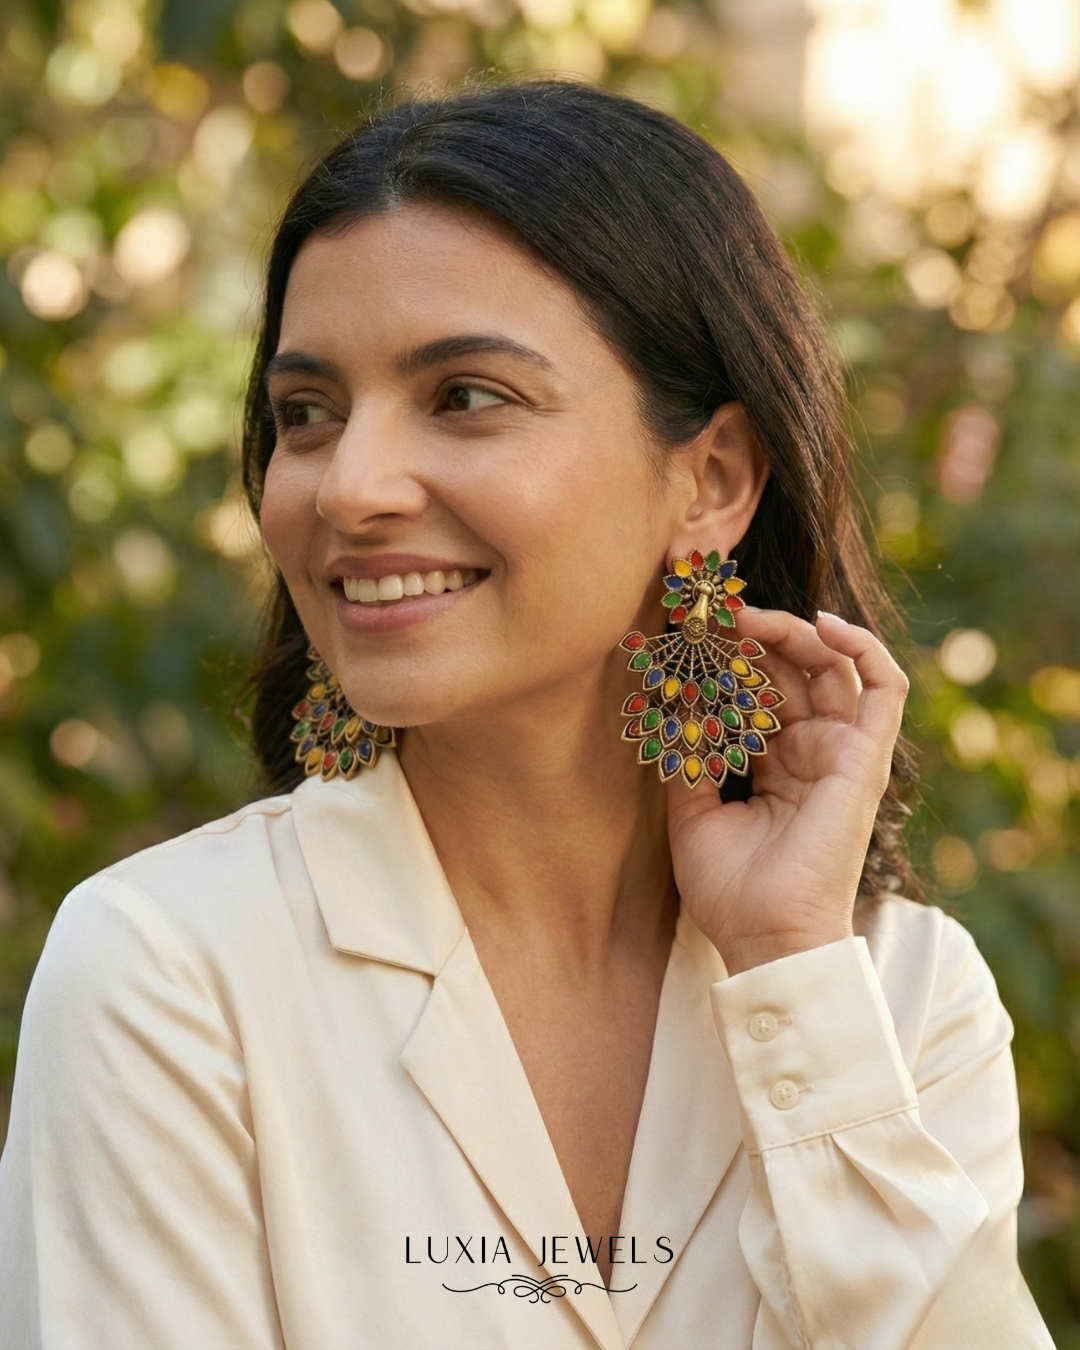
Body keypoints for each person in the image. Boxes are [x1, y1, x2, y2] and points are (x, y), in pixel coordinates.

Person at [0, 81, 1053, 1350]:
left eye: (466, 397)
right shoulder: (172, 974)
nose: (352, 488)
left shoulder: (902, 1001)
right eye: (306, 415)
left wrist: (786, 962)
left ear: (711, 480)